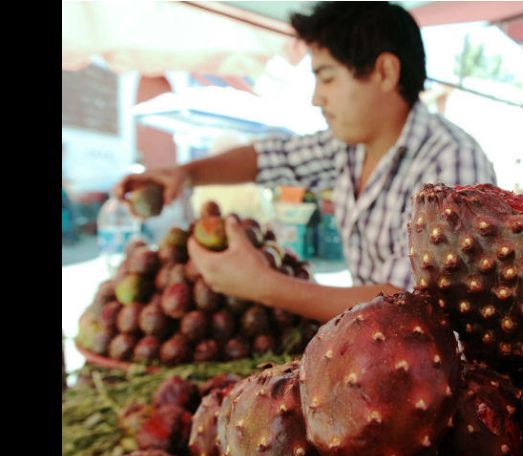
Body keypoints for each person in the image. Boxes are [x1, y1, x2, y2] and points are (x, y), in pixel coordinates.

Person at [115, 2, 497, 323]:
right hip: (371, 345)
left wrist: (265, 285)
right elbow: (269, 157)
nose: (316, 98)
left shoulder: (453, 162)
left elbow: (416, 305)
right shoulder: (347, 147)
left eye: (327, 78)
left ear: (384, 72)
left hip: (442, 379)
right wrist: (186, 174)